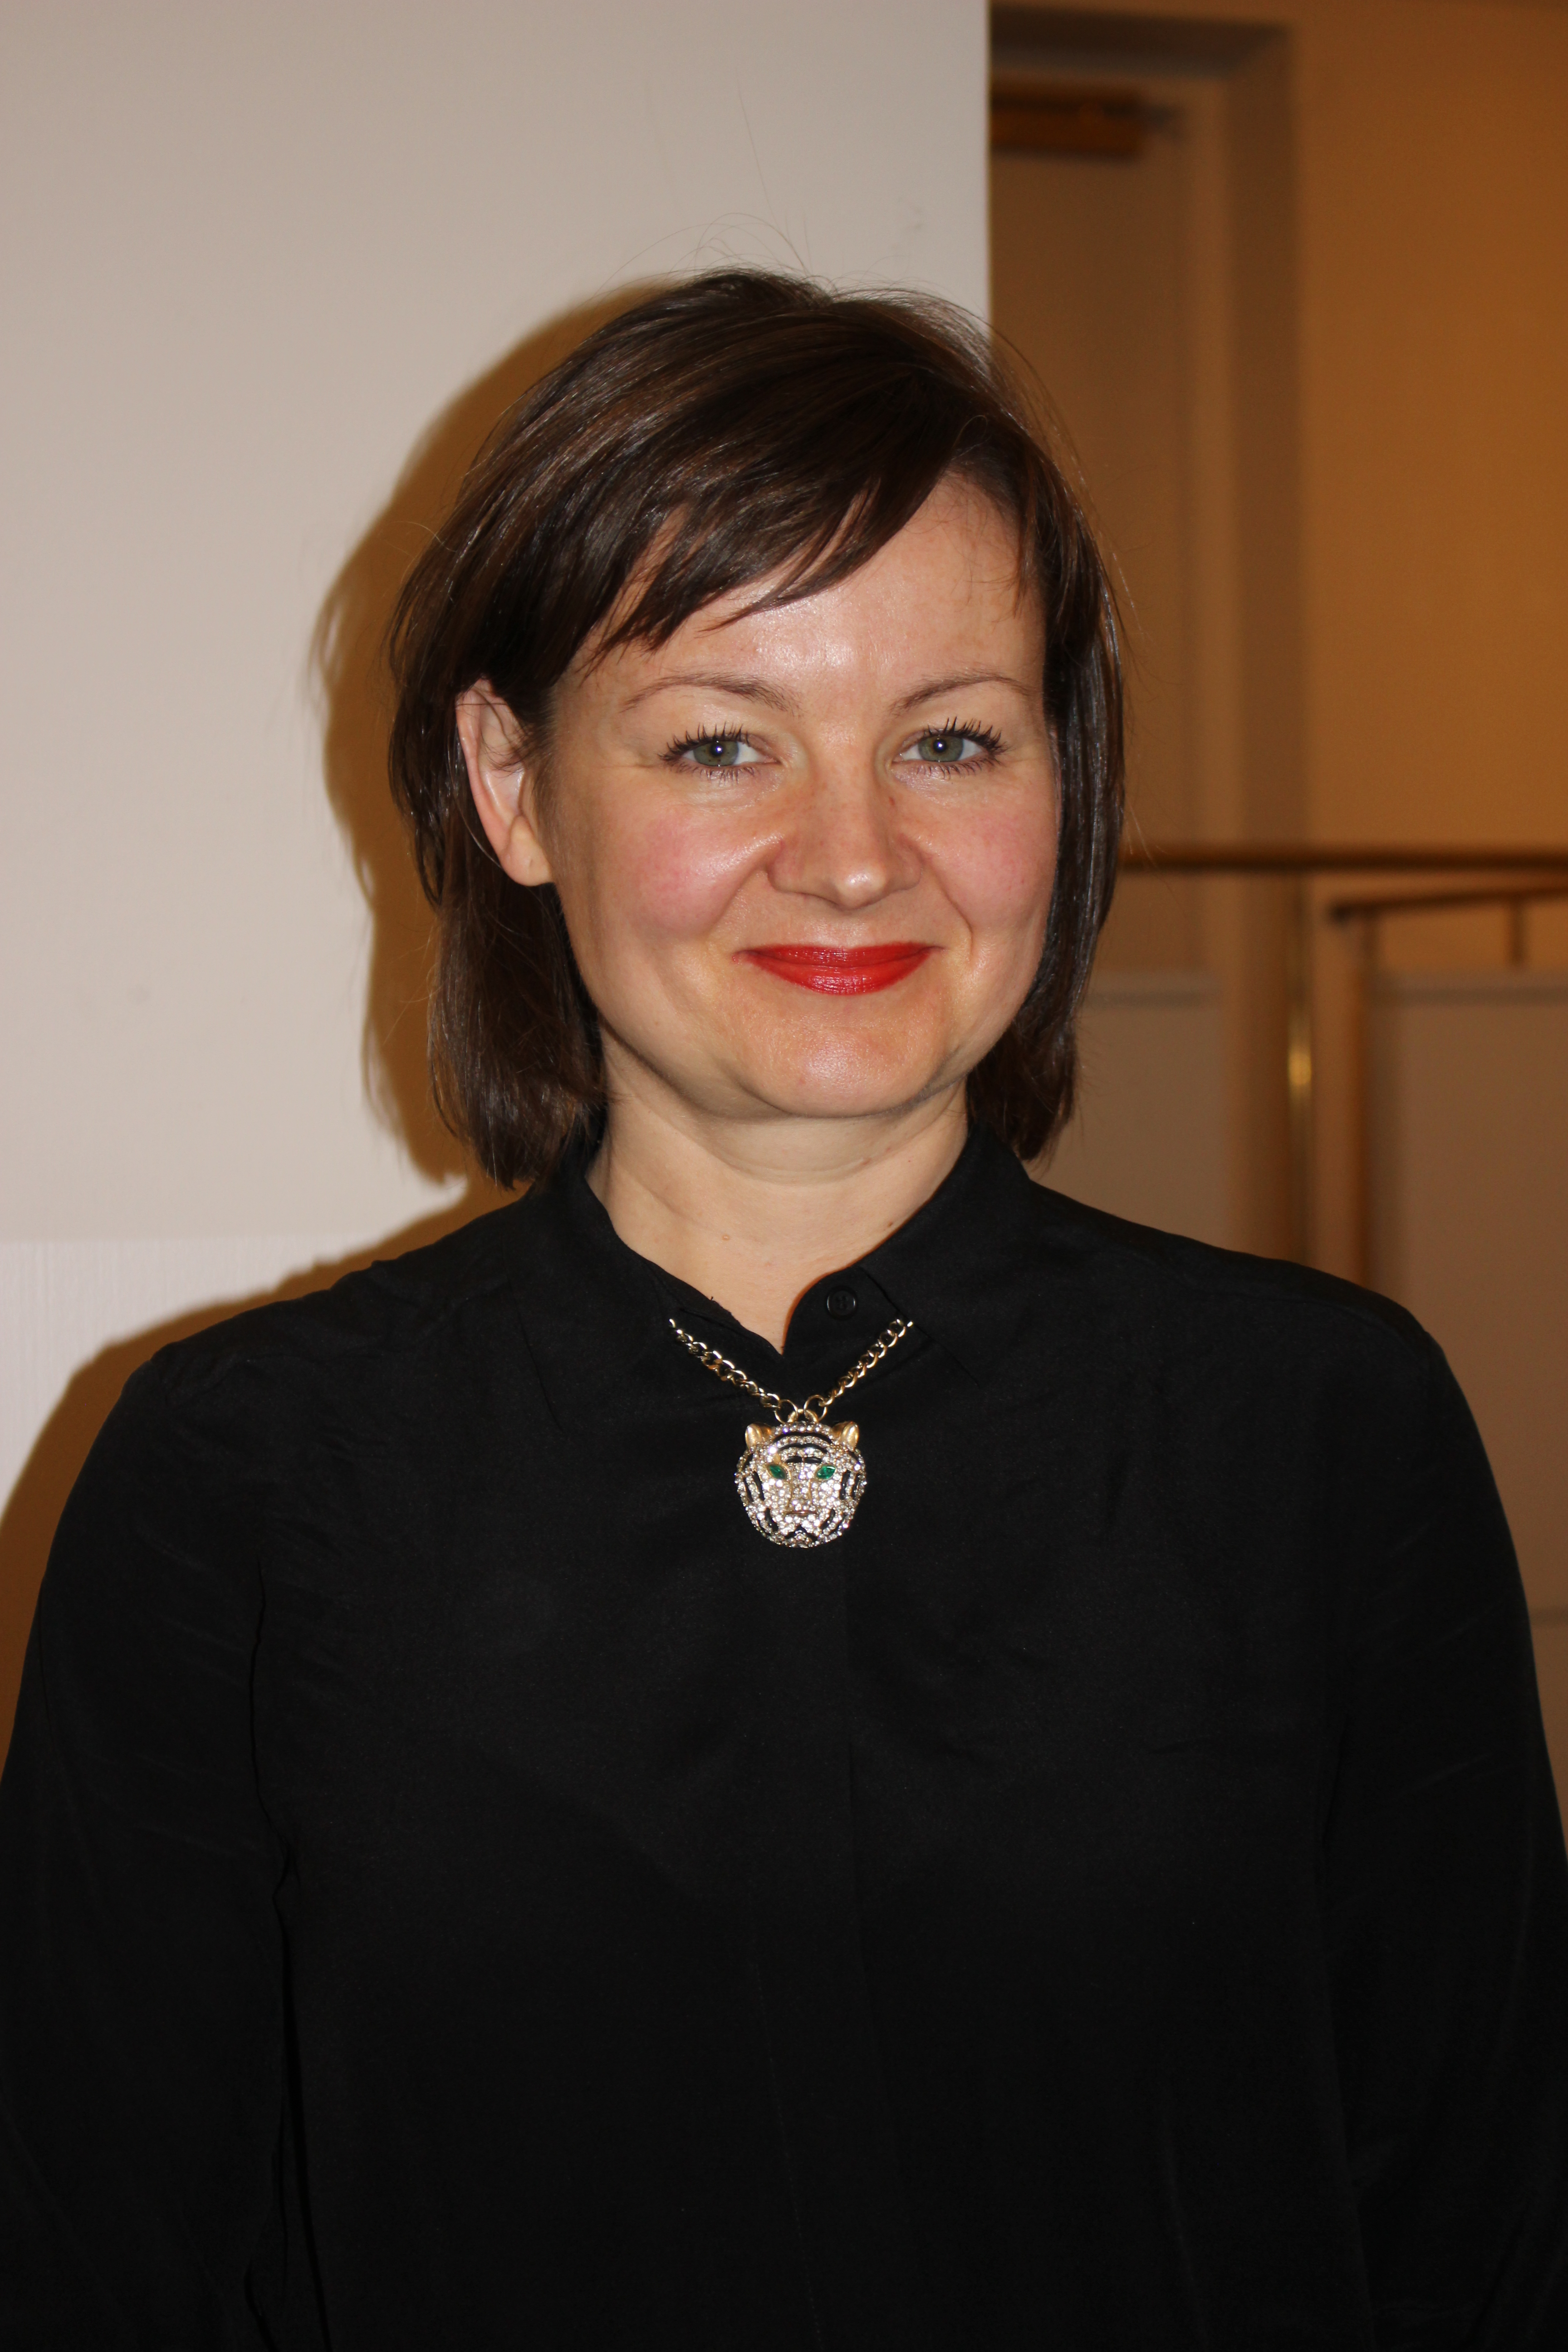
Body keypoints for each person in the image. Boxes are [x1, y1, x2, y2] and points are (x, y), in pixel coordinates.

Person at [1, 269, 1564, 2351]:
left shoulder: (1323, 1437)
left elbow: (1489, 2244)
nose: (852, 857)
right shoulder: (242, 1482)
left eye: (951, 739)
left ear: (1066, 781)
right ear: (512, 784)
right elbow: (97, 2270)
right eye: (724, 742)